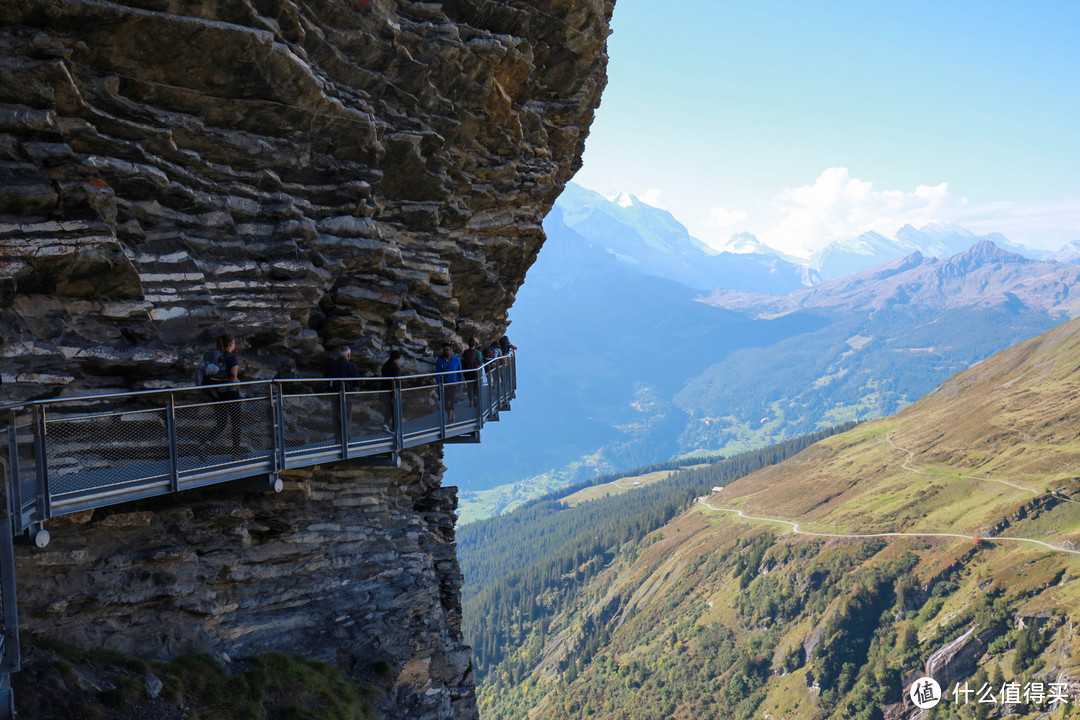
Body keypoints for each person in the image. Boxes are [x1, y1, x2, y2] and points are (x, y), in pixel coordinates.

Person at [202, 333, 242, 448]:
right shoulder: (232, 359)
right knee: (236, 424)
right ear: (231, 343)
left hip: (218, 395)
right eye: (234, 343)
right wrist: (239, 383)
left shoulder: (215, 358)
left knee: (221, 424)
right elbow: (233, 379)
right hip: (231, 395)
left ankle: (205, 445)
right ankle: (236, 453)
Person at [435, 342, 463, 422]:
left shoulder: (456, 360)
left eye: (447, 350)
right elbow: (437, 372)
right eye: (444, 350)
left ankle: (449, 419)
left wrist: (460, 384)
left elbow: (459, 372)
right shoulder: (440, 360)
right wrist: (438, 384)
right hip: (443, 385)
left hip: (452, 384)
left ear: (451, 350)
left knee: (450, 401)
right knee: (445, 404)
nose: (446, 352)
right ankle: (451, 414)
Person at [379, 350, 403, 433]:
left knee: (388, 409)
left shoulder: (386, 365)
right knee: (394, 411)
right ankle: (394, 428)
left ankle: (386, 424)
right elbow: (395, 382)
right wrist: (393, 396)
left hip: (384, 391)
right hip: (392, 393)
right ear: (397, 358)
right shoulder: (394, 367)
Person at [460, 337, 483, 407]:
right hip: (474, 371)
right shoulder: (477, 352)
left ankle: (470, 401)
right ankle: (475, 396)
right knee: (476, 385)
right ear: (475, 345)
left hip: (467, 371)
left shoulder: (465, 352)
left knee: (469, 386)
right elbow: (480, 361)